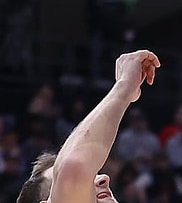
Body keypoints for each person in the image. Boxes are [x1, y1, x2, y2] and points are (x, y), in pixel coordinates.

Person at [15, 50, 161, 203]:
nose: (103, 178)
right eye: (59, 184)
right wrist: (124, 88)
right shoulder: (72, 171)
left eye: (93, 174)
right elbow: (72, 169)